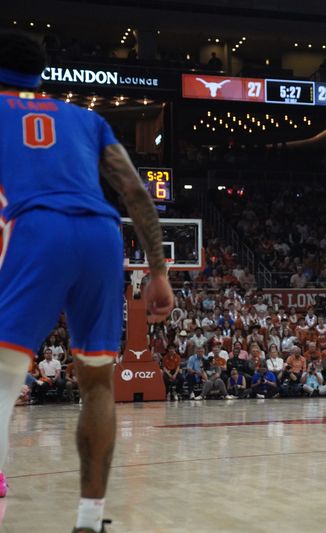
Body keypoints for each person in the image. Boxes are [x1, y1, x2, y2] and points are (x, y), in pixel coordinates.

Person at [0, 30, 173, 529]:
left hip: (36, 230)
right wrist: (157, 271)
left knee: (4, 379)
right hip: (103, 234)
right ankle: (90, 518)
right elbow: (136, 193)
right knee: (98, 384)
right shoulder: (86, 119)